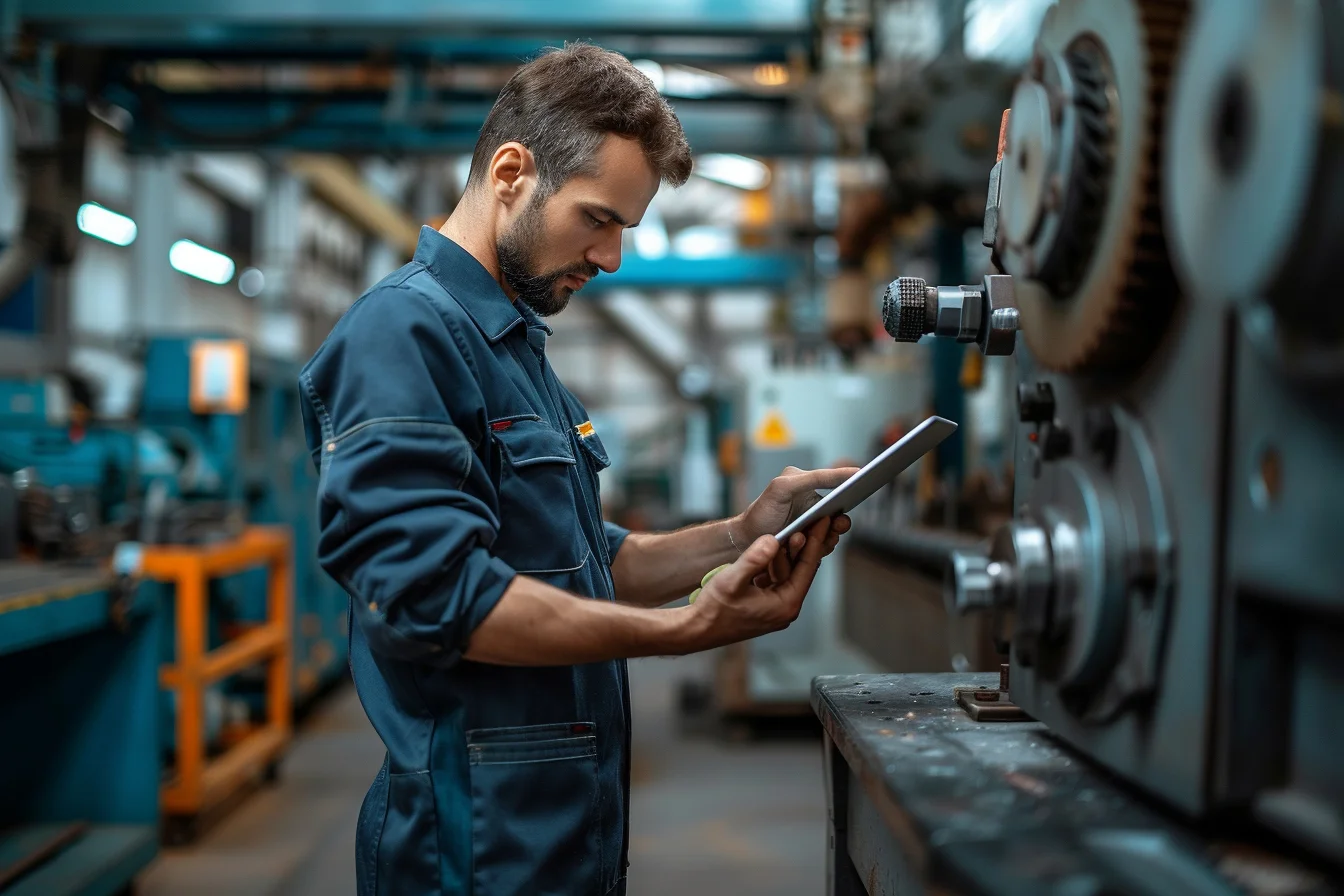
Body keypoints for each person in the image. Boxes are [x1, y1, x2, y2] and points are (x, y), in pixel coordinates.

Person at [298, 43, 857, 896]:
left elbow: (588, 559)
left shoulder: (514, 347)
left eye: (624, 230)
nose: (611, 259)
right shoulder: (401, 337)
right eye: (599, 219)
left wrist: (741, 532)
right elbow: (438, 596)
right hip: (471, 853)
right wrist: (685, 631)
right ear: (512, 171)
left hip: (558, 842)